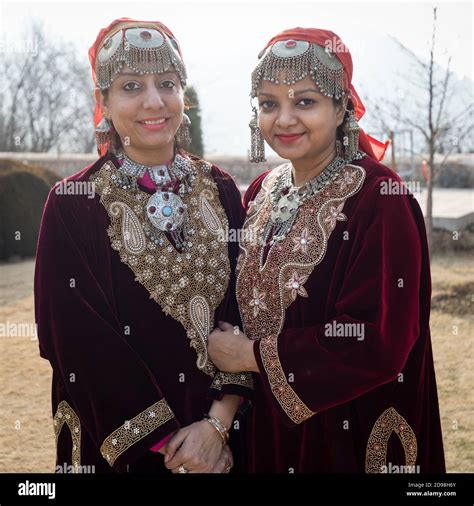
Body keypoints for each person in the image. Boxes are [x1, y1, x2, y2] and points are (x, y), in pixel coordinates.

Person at [208, 27, 445, 473]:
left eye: (305, 101)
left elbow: (379, 339)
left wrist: (251, 356)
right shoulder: (262, 190)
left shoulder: (380, 197)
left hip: (349, 432)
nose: (284, 119)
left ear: (341, 107)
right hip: (267, 433)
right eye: (269, 104)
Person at [34, 18, 252, 474]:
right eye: (131, 86)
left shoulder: (222, 189)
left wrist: (216, 427)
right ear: (103, 103)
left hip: (222, 441)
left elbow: (244, 311)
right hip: (123, 448)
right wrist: (172, 447)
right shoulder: (73, 204)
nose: (155, 102)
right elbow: (73, 338)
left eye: (167, 84)